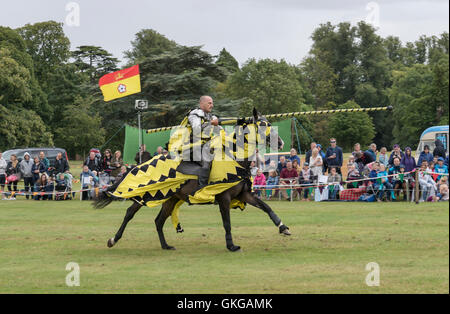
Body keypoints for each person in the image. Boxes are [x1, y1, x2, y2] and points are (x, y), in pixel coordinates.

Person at [185, 95, 220, 188]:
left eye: (212, 103)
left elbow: (218, 130)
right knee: (206, 162)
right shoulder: (194, 114)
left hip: (207, 145)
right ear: (201, 104)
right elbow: (196, 129)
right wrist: (211, 123)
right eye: (209, 103)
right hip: (193, 146)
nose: (212, 105)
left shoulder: (210, 116)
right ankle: (202, 188)